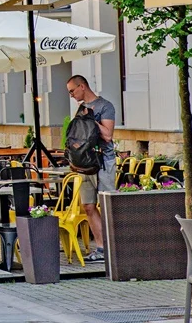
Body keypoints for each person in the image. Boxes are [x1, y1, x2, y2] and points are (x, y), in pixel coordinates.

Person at [66, 74, 116, 263]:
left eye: (72, 90)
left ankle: (112, 246)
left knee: (106, 205)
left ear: (82, 86)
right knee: (88, 205)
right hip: (84, 164)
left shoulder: (105, 106)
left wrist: (91, 121)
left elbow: (108, 136)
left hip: (104, 161)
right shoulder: (80, 109)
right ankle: (101, 248)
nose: (71, 95)